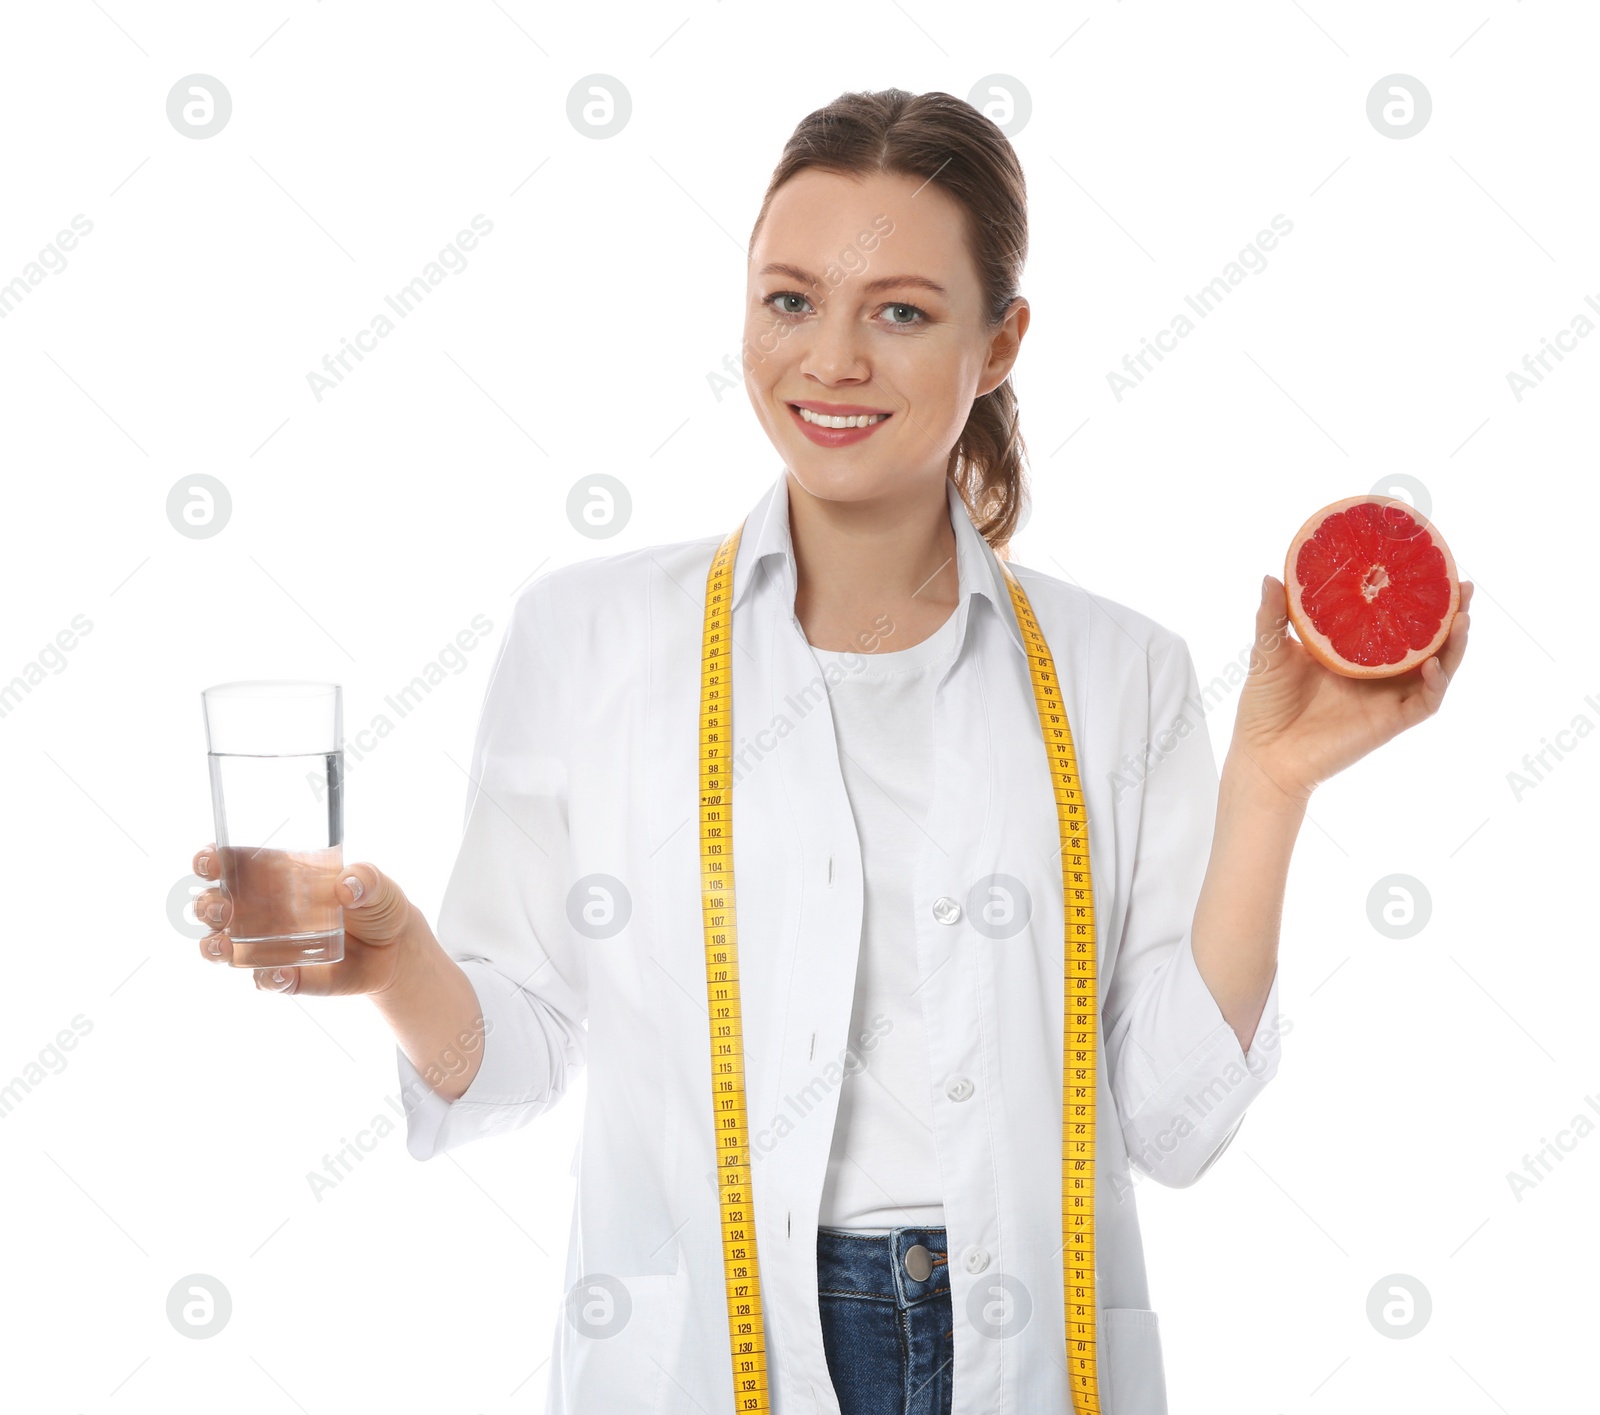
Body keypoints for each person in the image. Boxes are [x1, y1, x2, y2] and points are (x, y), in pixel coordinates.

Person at [190, 88, 1472, 1415]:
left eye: (902, 312)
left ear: (1002, 340)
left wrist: (1270, 787)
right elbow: (511, 1064)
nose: (831, 360)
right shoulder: (587, 637)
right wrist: (400, 960)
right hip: (711, 1349)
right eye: (790, 301)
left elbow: (1171, 1120)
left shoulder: (1117, 673)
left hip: (1015, 1343)